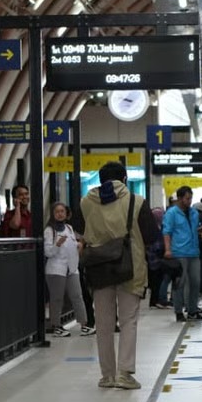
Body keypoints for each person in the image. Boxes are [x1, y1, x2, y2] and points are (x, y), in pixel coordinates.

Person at [76, 161, 159, 389]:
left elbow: (80, 230)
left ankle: (107, 376)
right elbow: (151, 236)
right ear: (124, 179)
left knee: (103, 323)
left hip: (99, 268)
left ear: (100, 180)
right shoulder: (136, 201)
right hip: (129, 267)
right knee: (128, 321)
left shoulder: (86, 203)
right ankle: (125, 374)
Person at [44, 202, 94, 337]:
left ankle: (84, 324)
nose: (60, 214)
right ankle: (57, 326)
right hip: (56, 270)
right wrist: (57, 245)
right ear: (53, 214)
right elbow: (48, 252)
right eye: (57, 212)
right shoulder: (49, 231)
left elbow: (72, 245)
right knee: (57, 298)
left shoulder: (69, 228)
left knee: (77, 296)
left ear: (66, 214)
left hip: (71, 269)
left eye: (62, 211)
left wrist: (77, 245)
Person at [163, 185, 202, 322]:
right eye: (187, 198)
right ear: (181, 198)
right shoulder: (171, 213)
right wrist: (168, 249)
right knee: (179, 283)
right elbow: (167, 232)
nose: (189, 201)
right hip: (179, 252)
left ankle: (192, 310)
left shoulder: (194, 213)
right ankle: (178, 311)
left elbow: (193, 229)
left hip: (193, 252)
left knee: (195, 282)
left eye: (191, 198)